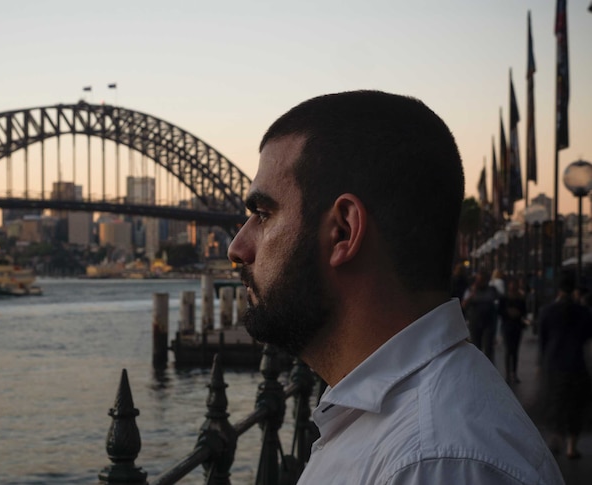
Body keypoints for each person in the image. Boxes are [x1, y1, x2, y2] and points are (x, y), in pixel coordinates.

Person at [227, 91, 562, 484]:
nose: (238, 248)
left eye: (263, 215)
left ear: (343, 232)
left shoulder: (432, 462)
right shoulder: (405, 430)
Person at [537, 274, 592, 460]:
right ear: (574, 290)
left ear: (558, 290)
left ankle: (556, 438)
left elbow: (542, 339)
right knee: (576, 405)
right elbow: (587, 335)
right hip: (576, 363)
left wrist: (542, 362)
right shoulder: (583, 312)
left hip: (554, 363)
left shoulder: (546, 311)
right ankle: (571, 447)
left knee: (556, 403)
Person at [462, 270, 499, 362]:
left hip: (489, 322)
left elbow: (497, 301)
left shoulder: (492, 290)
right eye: (479, 280)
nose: (481, 282)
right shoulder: (471, 290)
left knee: (488, 348)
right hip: (475, 322)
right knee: (476, 347)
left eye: (483, 280)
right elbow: (464, 304)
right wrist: (472, 293)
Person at [499, 277, 527, 383]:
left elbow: (524, 311)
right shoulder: (504, 298)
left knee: (514, 351)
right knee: (508, 350)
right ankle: (508, 374)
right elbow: (500, 311)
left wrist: (518, 313)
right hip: (507, 325)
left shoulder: (520, 298)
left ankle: (513, 373)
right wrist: (509, 312)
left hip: (516, 326)